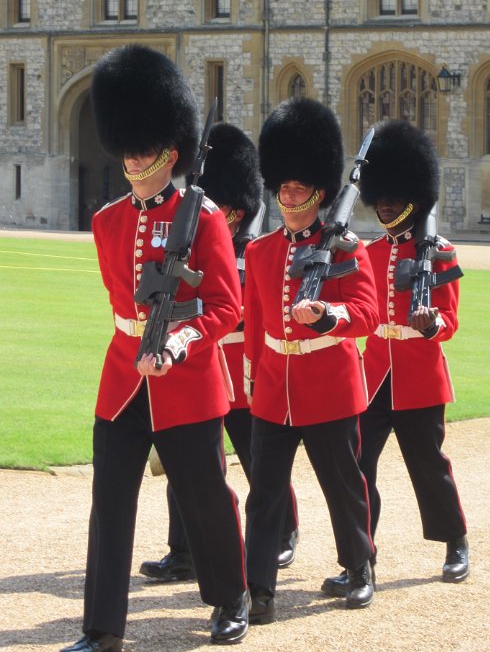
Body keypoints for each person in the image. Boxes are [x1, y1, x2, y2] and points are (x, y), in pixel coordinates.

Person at [60, 45, 249, 652]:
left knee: (205, 496)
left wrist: (178, 344)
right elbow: (123, 307)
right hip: (123, 380)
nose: (135, 157)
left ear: (171, 151)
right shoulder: (107, 221)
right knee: (110, 504)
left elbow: (225, 307)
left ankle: (231, 598)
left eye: (146, 147)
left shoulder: (206, 217)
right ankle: (102, 629)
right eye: (130, 146)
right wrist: (143, 344)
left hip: (187, 381)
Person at [139, 122, 300, 584]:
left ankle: (283, 531)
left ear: (238, 211)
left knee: (258, 463)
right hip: (197, 365)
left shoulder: (256, 251)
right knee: (186, 465)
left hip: (242, 372)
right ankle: (184, 550)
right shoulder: (189, 251)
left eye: (222, 207)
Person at [242, 97, 380, 624]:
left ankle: (359, 566)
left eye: (299, 189)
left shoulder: (345, 247)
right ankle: (258, 589)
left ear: (320, 192)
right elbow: (257, 325)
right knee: (265, 494)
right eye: (283, 188)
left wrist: (328, 316)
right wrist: (253, 380)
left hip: (329, 385)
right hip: (274, 389)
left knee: (342, 486)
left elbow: (366, 313)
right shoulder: (261, 252)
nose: (288, 197)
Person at [322, 119, 469, 600]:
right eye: (380, 198)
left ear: (412, 197)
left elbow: (450, 319)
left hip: (419, 374)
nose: (384, 205)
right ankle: (360, 558)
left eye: (393, 198)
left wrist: (431, 325)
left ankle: (455, 541)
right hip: (373, 375)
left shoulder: (439, 252)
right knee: (358, 467)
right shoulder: (368, 252)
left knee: (427, 465)